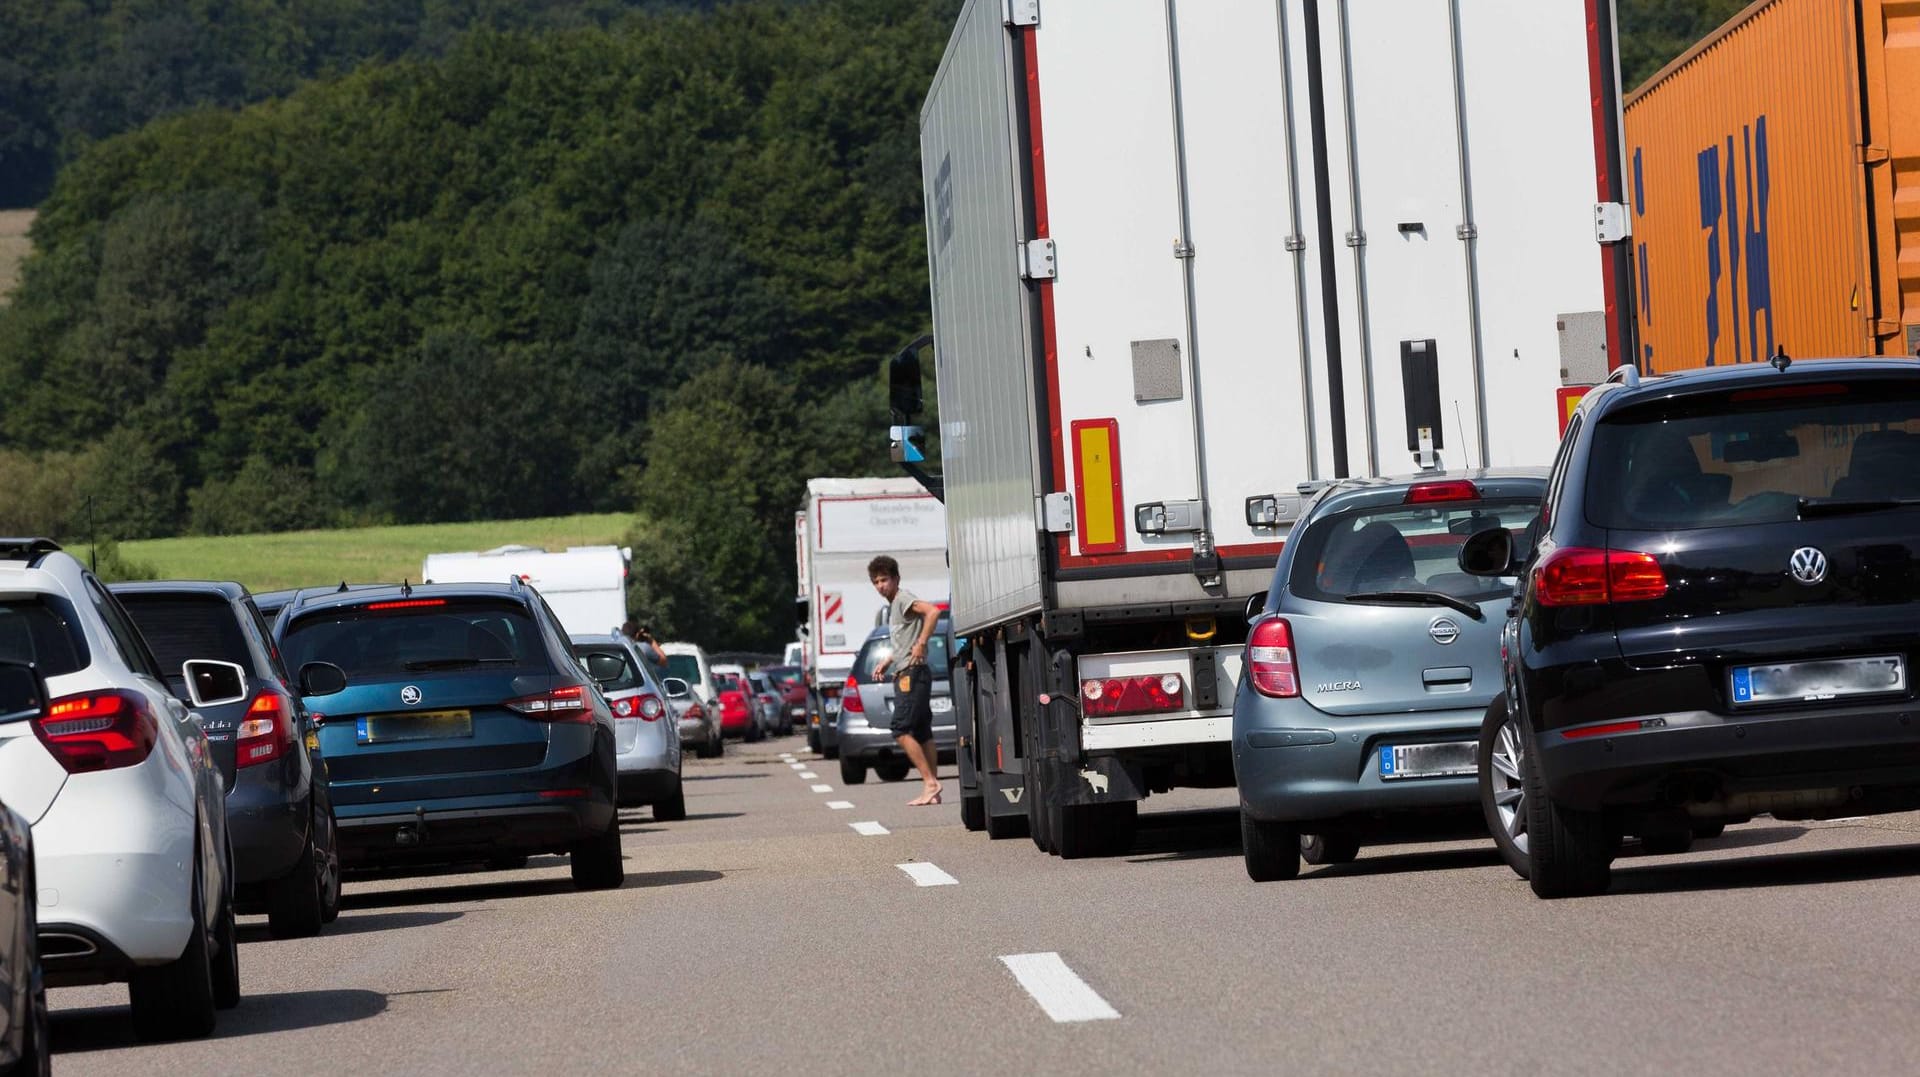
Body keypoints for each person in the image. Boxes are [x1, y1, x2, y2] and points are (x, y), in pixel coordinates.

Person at [867, 554, 942, 806]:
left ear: (896, 578)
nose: (880, 586)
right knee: (922, 731)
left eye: (884, 580)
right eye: (876, 582)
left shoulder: (902, 599)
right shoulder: (893, 606)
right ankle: (931, 789)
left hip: (912, 673)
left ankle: (930, 782)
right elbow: (903, 639)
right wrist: (888, 660)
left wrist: (922, 643)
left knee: (900, 729)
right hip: (909, 671)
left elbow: (933, 612)